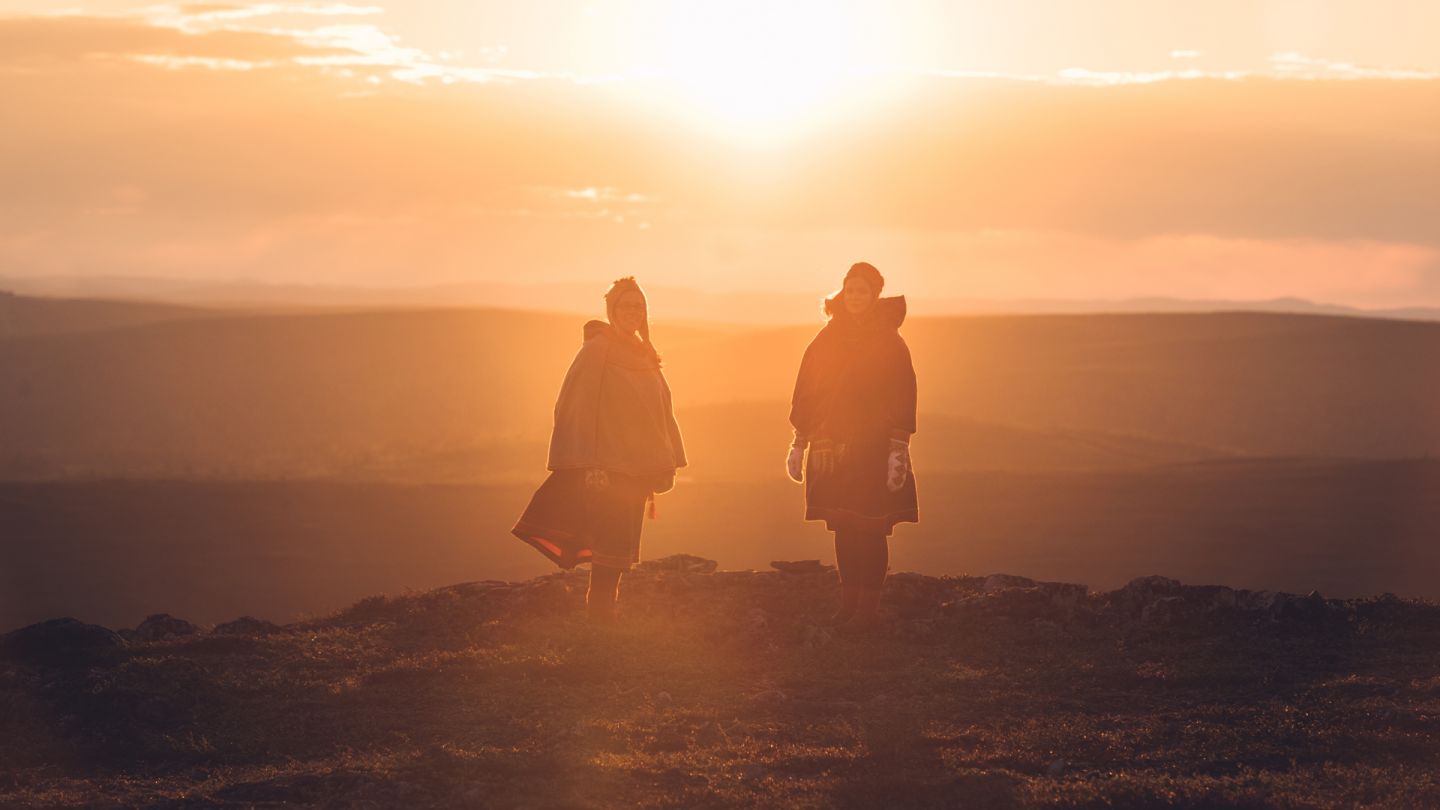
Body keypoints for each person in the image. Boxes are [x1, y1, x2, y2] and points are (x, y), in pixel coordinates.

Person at [512, 277, 687, 622]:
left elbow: (661, 409)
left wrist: (666, 457)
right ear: (612, 311)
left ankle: (605, 614)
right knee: (609, 536)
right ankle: (601, 615)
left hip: (637, 466)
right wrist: (589, 463)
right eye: (626, 306)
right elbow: (576, 405)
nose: (633, 313)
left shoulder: (642, 352)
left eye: (639, 306)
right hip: (606, 466)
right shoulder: (598, 349)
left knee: (621, 539)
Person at [787, 262, 918, 632]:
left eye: (863, 290)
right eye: (850, 290)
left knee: (871, 528)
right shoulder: (826, 338)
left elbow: (904, 392)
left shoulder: (890, 341)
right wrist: (800, 438)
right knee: (845, 527)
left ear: (875, 295)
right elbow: (807, 388)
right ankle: (848, 607)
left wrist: (898, 447)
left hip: (875, 449)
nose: (855, 297)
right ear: (842, 293)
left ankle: (868, 611)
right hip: (834, 447)